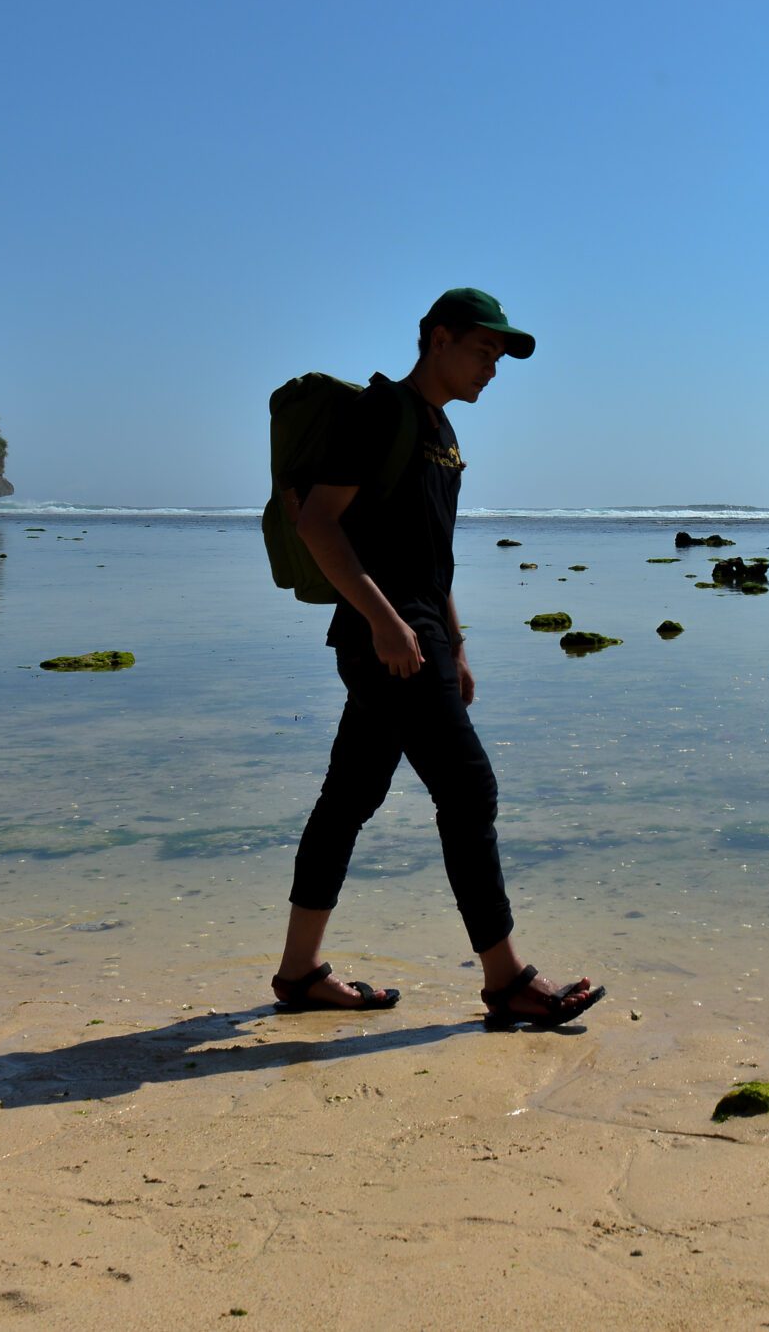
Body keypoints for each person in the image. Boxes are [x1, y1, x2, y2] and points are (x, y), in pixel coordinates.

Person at [269, 288, 604, 1029]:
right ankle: (508, 979)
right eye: (484, 349)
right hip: (385, 639)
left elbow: (432, 558)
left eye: (499, 355)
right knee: (470, 790)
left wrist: (457, 643)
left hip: (419, 635)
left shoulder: (441, 431)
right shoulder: (380, 413)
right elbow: (319, 523)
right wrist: (387, 622)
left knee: (348, 799)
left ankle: (298, 972)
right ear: (438, 338)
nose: (493, 366)